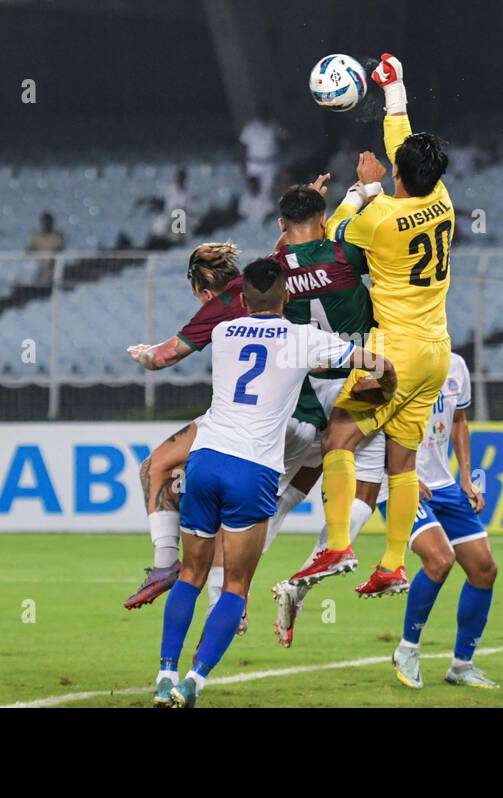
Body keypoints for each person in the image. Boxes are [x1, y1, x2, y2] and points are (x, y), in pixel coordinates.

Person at [151, 258, 394, 708]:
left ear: (242, 300)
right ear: (287, 297)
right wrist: (387, 375)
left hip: (205, 459)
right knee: (237, 586)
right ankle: (193, 682)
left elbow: (168, 353)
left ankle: (165, 672)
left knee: (191, 573)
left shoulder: (224, 333)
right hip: (253, 469)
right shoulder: (304, 338)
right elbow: (366, 360)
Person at [292, 52, 454, 598]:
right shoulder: (443, 200)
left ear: (397, 175)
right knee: (401, 459)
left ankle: (336, 545)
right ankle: (392, 563)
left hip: (397, 353)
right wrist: (396, 89)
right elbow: (405, 143)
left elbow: (332, 240)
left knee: (339, 435)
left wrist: (360, 191)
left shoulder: (380, 218)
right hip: (437, 354)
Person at [380, 353, 499, 689]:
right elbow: (377, 424)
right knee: (439, 559)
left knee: (484, 568)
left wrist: (466, 476)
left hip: (444, 485)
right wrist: (402, 471)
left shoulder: (456, 364)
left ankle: (462, 665)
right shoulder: (394, 360)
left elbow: (459, 420)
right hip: (400, 482)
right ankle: (407, 649)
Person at [239, 105, 283, 197]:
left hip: (270, 164)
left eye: (266, 112)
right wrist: (243, 163)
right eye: (262, 112)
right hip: (255, 164)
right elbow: (243, 146)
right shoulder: (250, 127)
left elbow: (283, 140)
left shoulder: (274, 126)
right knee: (254, 191)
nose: (264, 114)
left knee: (270, 190)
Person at [26, 211, 66, 286]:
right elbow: (29, 248)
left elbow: (60, 247)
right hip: (41, 267)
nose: (45, 224)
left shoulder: (57, 236)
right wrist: (30, 250)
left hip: (54, 268)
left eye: (47, 222)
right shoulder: (37, 236)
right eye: (43, 222)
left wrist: (54, 256)